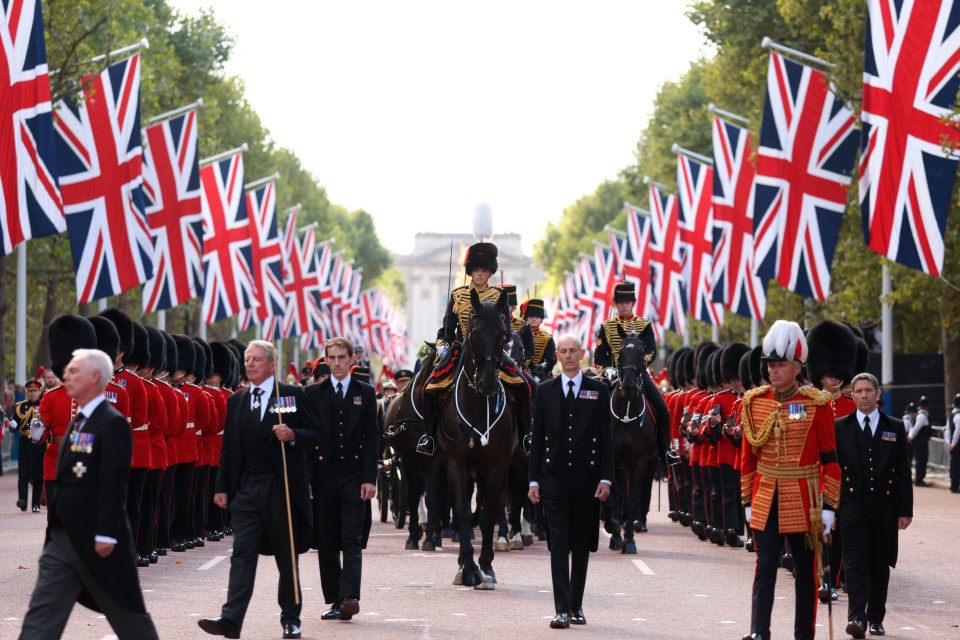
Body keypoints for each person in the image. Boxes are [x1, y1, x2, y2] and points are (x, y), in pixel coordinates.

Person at [20, 349, 159, 640]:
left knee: (130, 621)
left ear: (95, 377)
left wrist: (106, 533)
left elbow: (113, 481)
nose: (65, 376)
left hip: (99, 538)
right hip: (63, 537)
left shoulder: (113, 423)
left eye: (74, 371)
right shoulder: (78, 421)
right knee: (40, 619)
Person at [198, 340, 319, 640]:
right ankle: (231, 619)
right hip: (247, 489)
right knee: (242, 555)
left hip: (281, 488)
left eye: (256, 360)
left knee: (285, 556)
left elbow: (316, 433)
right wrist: (222, 487)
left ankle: (291, 619)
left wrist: (293, 434)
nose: (249, 364)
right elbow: (228, 449)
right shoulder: (237, 400)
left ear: (270, 364)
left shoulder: (291, 395)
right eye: (247, 359)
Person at [740, 320, 841, 640]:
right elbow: (748, 460)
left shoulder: (817, 404)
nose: (773, 371)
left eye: (780, 365)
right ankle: (759, 632)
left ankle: (803, 634)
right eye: (770, 365)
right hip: (766, 496)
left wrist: (829, 506)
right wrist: (746, 500)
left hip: (805, 497)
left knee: (805, 574)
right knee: (765, 565)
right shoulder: (754, 402)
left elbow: (831, 462)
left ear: (797, 367)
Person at [528, 333, 613, 629]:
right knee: (559, 543)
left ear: (582, 354)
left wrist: (606, 478)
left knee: (580, 543)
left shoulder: (598, 391)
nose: (567, 356)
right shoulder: (544, 390)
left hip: (587, 479)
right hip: (553, 479)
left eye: (572, 351)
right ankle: (561, 609)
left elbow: (606, 438)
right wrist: (533, 481)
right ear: (558, 355)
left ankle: (576, 606)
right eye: (562, 351)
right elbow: (537, 438)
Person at [417, 238, 530, 456]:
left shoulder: (499, 296)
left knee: (524, 385)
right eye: (476, 270)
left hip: (493, 352)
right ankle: (429, 437)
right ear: (470, 272)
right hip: (462, 350)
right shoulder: (458, 295)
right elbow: (447, 329)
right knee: (430, 388)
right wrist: (442, 345)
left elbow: (506, 329)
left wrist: (505, 346)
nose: (479, 274)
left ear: (490, 273)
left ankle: (526, 436)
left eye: (484, 270)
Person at [832, 372, 912, 639]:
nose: (864, 396)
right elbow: (832, 470)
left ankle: (876, 617)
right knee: (854, 563)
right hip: (852, 503)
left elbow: (903, 470)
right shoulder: (839, 426)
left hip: (885, 506)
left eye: (868, 391)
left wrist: (905, 510)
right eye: (859, 391)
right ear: (852, 395)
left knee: (879, 563)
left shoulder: (895, 426)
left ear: (878, 394)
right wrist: (829, 507)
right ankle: (857, 617)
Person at [304, 337, 379, 622]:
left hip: (354, 474)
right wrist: (306, 479)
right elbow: (308, 439)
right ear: (325, 359)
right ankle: (335, 599)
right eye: (331, 358)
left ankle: (349, 597)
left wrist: (370, 478)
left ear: (351, 360)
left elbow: (373, 436)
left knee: (352, 536)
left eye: (341, 357)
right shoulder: (313, 393)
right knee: (326, 540)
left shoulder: (365, 392)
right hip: (322, 475)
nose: (336, 363)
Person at [593, 281, 669, 459]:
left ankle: (664, 450)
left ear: (633, 303)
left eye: (627, 302)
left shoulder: (644, 325)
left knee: (662, 408)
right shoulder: (606, 326)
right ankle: (592, 448)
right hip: (613, 376)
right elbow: (599, 354)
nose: (624, 305)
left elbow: (651, 350)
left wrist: (639, 367)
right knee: (593, 407)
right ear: (616, 304)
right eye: (620, 302)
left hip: (638, 374)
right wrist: (608, 370)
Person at [11, 380, 46, 512]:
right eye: (30, 391)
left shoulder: (44, 405)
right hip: (25, 441)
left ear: (39, 392)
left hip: (39, 443)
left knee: (38, 474)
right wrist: (13, 425)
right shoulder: (20, 407)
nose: (32, 394)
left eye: (35, 391)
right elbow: (15, 421)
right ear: (27, 392)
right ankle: (23, 500)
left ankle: (35, 504)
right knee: (23, 473)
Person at [521, 298, 557, 381]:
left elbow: (550, 360)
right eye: (531, 316)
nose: (534, 319)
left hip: (539, 375)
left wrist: (538, 369)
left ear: (541, 318)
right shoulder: (519, 335)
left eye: (537, 316)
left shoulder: (548, 338)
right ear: (526, 317)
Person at [907, 396, 932, 486]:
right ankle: (919, 480)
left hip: (921, 442)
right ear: (926, 406)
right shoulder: (922, 416)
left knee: (922, 460)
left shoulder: (922, 415)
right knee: (921, 460)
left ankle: (920, 479)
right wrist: (910, 437)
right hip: (920, 442)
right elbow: (916, 428)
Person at [949, 395, 960, 494]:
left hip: (953, 445)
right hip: (957, 445)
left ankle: (953, 485)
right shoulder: (958, 416)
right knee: (956, 466)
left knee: (954, 466)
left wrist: (948, 443)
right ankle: (955, 486)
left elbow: (947, 431)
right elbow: (957, 432)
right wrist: (953, 444)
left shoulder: (952, 415)